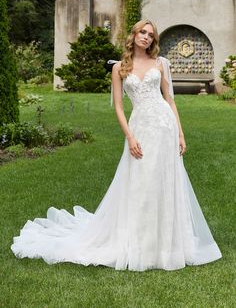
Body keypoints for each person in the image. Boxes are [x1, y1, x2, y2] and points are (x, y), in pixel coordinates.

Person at [11, 19, 222, 271]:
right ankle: (141, 242)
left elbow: (171, 101)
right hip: (140, 127)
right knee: (142, 181)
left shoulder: (160, 63)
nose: (146, 37)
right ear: (133, 35)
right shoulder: (120, 68)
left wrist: (180, 133)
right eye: (142, 32)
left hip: (165, 127)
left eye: (150, 35)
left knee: (165, 179)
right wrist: (130, 136)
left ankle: (167, 244)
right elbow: (120, 108)